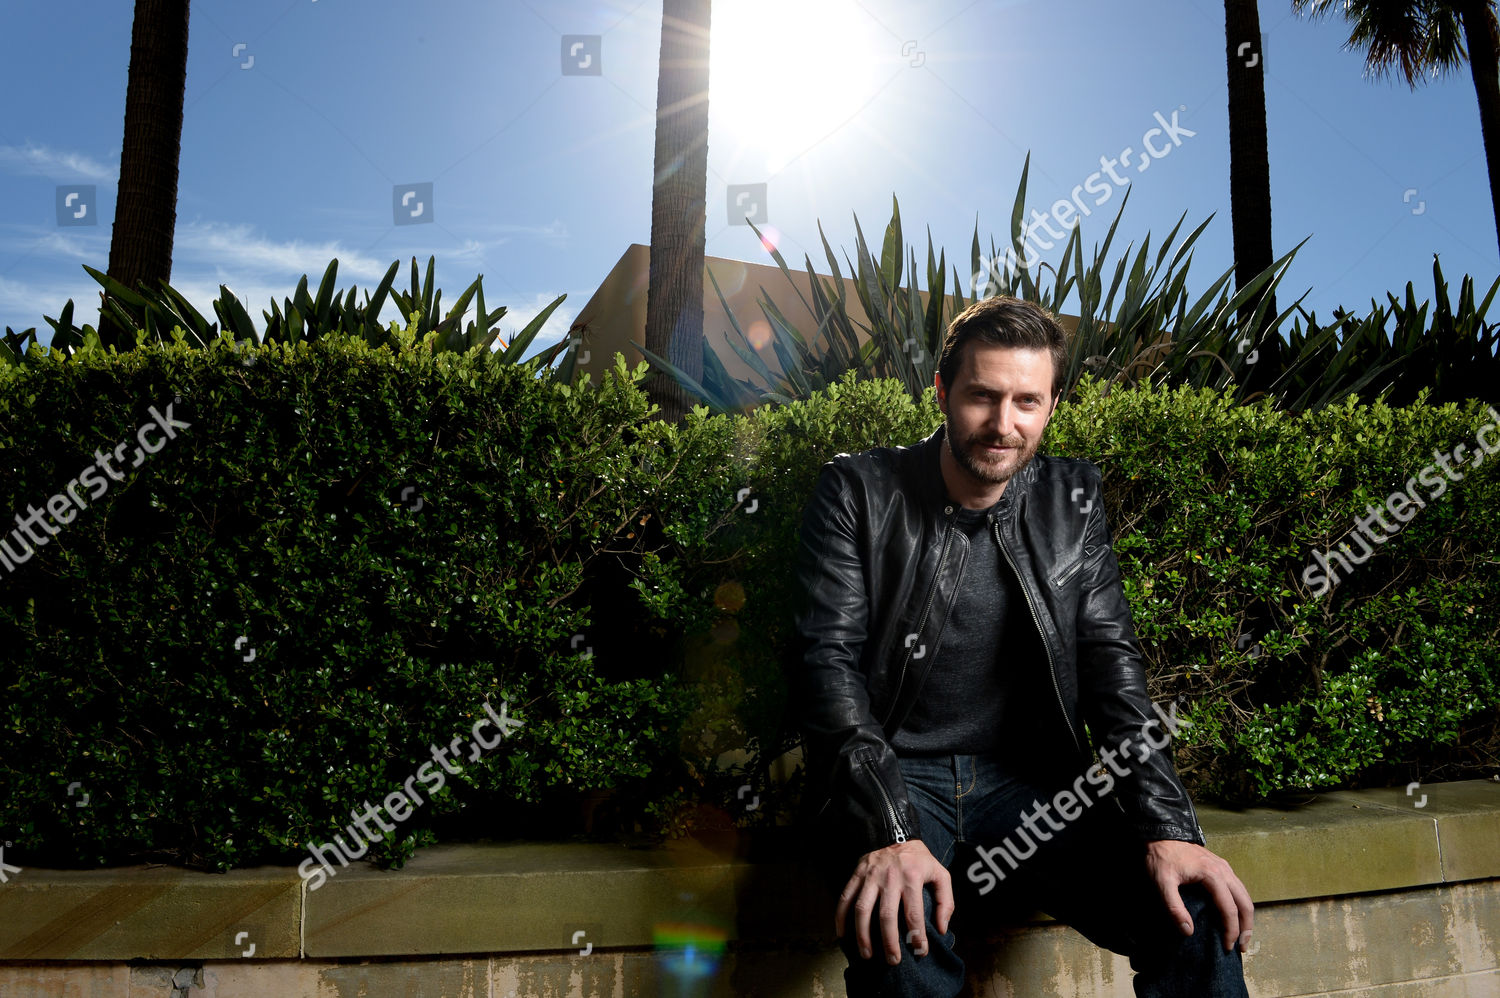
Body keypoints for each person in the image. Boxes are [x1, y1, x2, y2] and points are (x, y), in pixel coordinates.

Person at [792, 296, 1253, 997]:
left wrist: (1170, 829)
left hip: (1034, 786)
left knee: (1193, 913)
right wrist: (888, 829)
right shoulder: (859, 488)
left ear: (1052, 406)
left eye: (1027, 402)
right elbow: (826, 660)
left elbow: (1112, 666)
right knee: (899, 929)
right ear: (944, 392)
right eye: (982, 396)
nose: (1003, 425)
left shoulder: (1072, 498)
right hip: (898, 776)